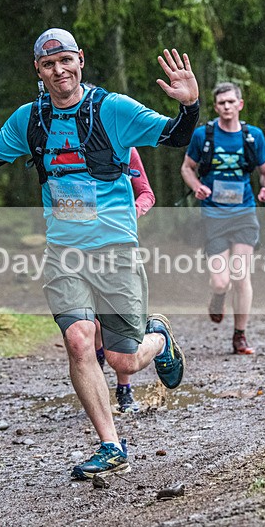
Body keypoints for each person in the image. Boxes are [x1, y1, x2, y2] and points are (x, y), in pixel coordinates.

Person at [0, 28, 198, 480]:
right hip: (65, 252)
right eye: (49, 64)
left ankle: (160, 339)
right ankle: (111, 445)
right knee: (78, 341)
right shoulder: (29, 120)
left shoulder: (113, 109)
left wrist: (189, 106)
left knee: (123, 359)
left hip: (114, 250)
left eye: (66, 60)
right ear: (38, 70)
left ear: (81, 60)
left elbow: (172, 137)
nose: (59, 70)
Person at [179, 82, 265, 355]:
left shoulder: (253, 136)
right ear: (216, 106)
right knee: (222, 281)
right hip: (213, 215)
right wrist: (197, 185)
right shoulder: (203, 136)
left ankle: (240, 335)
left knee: (241, 274)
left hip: (244, 213)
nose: (226, 107)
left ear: (240, 105)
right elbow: (187, 168)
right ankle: (218, 297)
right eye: (221, 103)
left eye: (231, 102)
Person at [95, 147, 155, 413]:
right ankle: (96, 387)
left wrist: (133, 210)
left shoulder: (126, 149)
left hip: (118, 246)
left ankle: (124, 388)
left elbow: (146, 193)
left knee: (116, 320)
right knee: (89, 323)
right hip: (77, 246)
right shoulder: (67, 146)